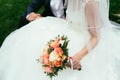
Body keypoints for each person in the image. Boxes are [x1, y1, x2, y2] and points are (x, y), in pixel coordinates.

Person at [0, 0, 120, 80]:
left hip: (86, 40)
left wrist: (77, 57)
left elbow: (96, 37)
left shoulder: (91, 3)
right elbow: (70, 20)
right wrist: (45, 21)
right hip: (70, 30)